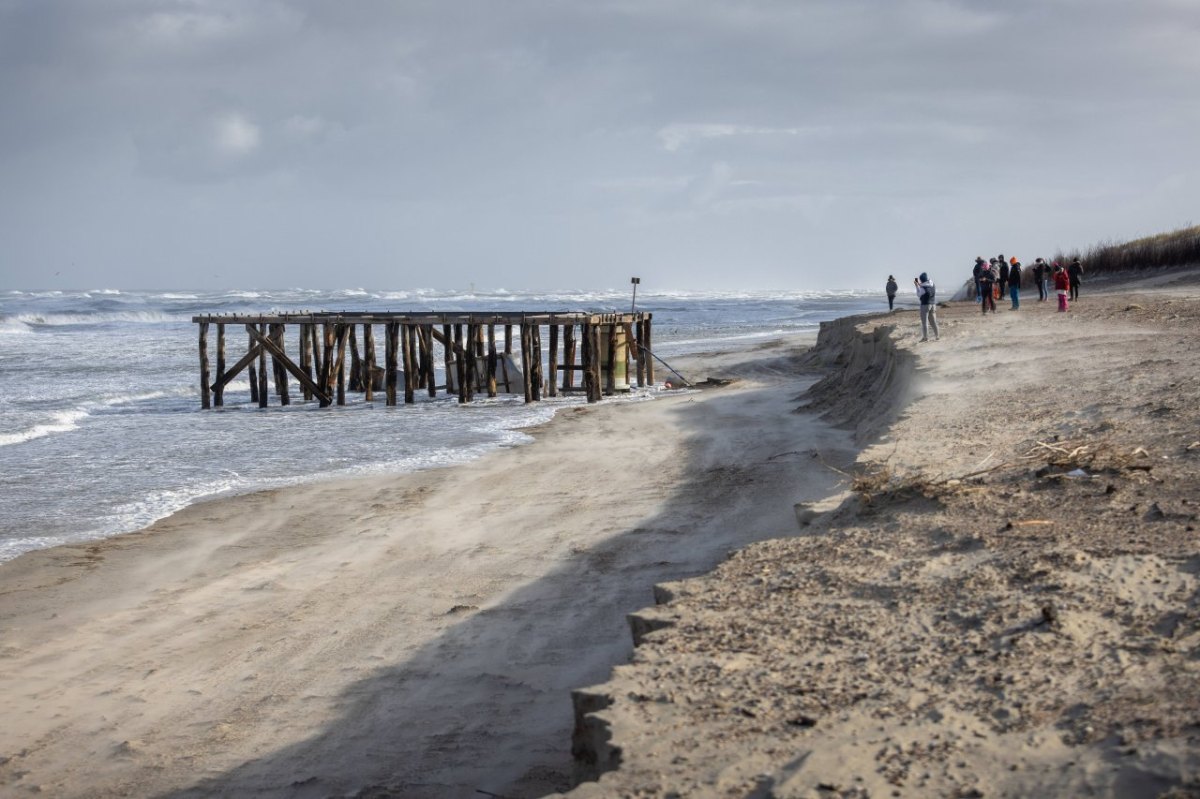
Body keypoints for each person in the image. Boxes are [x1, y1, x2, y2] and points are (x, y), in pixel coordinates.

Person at [915, 272, 939, 341]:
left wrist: (917, 286)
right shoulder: (932, 284)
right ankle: (937, 336)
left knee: (925, 322)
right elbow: (926, 286)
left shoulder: (923, 288)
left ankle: (925, 338)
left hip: (925, 305)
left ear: (921, 280)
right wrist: (920, 284)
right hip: (933, 304)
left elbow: (918, 294)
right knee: (933, 322)